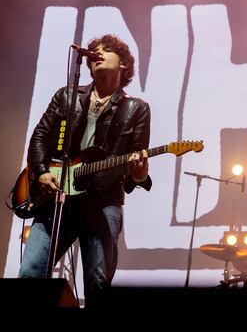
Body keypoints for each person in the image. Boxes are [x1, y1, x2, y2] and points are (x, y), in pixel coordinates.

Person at [18, 34, 151, 306]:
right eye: (94, 51)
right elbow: (40, 135)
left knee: (97, 283)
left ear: (124, 64)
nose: (97, 53)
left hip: (103, 202)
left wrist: (138, 173)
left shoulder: (136, 108)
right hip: (56, 199)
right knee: (30, 273)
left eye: (106, 50)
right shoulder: (67, 95)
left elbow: (134, 166)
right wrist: (42, 171)